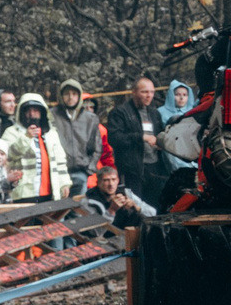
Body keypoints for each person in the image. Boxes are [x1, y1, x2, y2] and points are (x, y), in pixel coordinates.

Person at [107, 77, 166, 209]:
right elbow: (114, 138)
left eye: (151, 92)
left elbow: (160, 135)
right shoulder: (120, 112)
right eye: (144, 92)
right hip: (132, 170)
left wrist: (161, 143)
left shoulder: (155, 113)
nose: (149, 95)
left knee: (153, 207)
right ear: (133, 92)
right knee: (133, 208)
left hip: (154, 167)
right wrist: (140, 137)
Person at [0, 92, 67, 201]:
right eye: (28, 111)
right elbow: (6, 158)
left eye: (35, 110)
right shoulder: (11, 132)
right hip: (23, 193)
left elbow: (60, 161)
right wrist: (26, 138)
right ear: (22, 112)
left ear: (42, 112)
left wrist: (64, 183)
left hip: (50, 192)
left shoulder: (51, 134)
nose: (32, 114)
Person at [49, 81, 101, 199]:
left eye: (74, 94)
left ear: (79, 95)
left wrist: (89, 169)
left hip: (80, 171)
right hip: (58, 173)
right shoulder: (52, 115)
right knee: (58, 211)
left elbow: (97, 147)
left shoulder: (90, 118)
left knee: (78, 210)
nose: (70, 97)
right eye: (67, 94)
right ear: (61, 96)